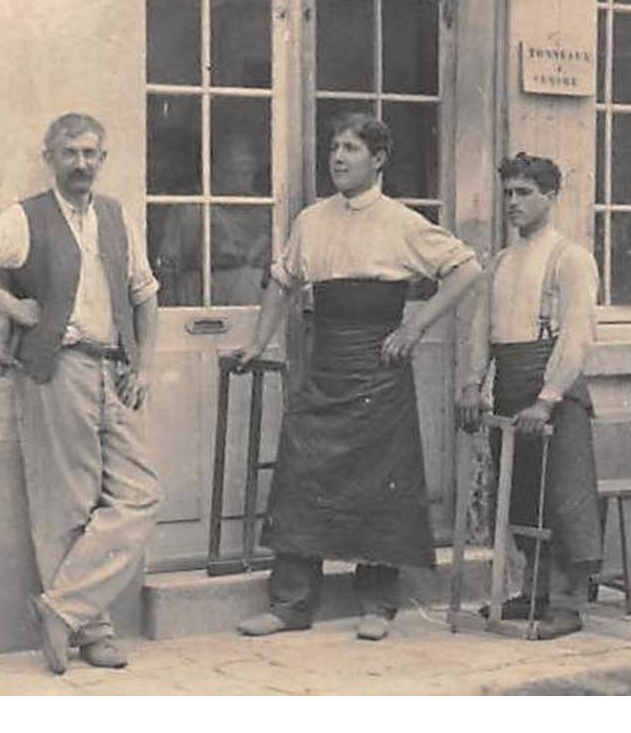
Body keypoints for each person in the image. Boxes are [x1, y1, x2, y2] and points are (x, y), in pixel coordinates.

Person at [229, 113, 482, 641]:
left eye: (350, 148)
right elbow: (281, 282)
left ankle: (377, 604)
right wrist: (259, 341)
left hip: (380, 370)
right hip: (325, 365)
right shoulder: (311, 221)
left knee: (379, 487)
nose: (338, 158)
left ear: (379, 159)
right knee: (302, 477)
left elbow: (466, 269)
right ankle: (291, 604)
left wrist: (415, 325)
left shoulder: (403, 222)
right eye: (333, 147)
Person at [0, 112, 161, 673]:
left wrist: (145, 365)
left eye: (91, 154)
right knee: (68, 506)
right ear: (50, 157)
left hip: (115, 371)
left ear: (103, 160)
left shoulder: (115, 217)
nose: (81, 163)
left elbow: (145, 293)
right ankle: (94, 630)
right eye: (70, 153)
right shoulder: (26, 218)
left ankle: (61, 611)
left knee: (139, 496)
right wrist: (14, 308)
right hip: (58, 370)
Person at [458, 153, 601, 640]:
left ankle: (566, 602)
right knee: (519, 495)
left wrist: (548, 398)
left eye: (524, 193)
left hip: (553, 393)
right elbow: (482, 331)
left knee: (562, 496)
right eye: (508, 193)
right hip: (509, 388)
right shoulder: (498, 262)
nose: (513, 203)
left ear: (551, 197)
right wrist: (473, 385)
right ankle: (534, 591)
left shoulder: (571, 259)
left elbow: (577, 335)